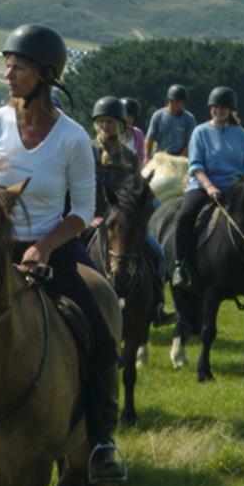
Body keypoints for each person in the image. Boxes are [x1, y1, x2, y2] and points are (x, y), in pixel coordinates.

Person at [0, 25, 126, 481]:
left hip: (56, 244)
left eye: (20, 66)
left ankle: (102, 442)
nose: (8, 73)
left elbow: (86, 211)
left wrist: (45, 245)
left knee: (99, 329)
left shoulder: (73, 138)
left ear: (46, 75)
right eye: (7, 63)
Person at [91, 96, 172, 325]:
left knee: (157, 253)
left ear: (120, 125)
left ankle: (157, 306)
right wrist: (93, 216)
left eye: (111, 122)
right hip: (94, 217)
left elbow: (136, 190)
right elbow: (82, 186)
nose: (106, 126)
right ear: (96, 124)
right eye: (102, 122)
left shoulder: (130, 157)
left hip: (125, 222)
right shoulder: (88, 151)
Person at [172, 86, 244, 291]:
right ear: (210, 108)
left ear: (230, 111)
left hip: (236, 187)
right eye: (215, 107)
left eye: (223, 108)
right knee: (186, 215)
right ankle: (180, 265)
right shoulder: (200, 132)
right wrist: (209, 186)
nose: (218, 111)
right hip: (203, 186)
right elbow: (196, 165)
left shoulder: (240, 133)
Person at [147, 84, 195, 159]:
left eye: (181, 102)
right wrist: (146, 158)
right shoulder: (158, 115)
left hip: (180, 157)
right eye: (176, 102)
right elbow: (150, 138)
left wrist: (178, 159)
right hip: (160, 156)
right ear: (170, 100)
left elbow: (190, 144)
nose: (179, 105)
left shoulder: (189, 119)